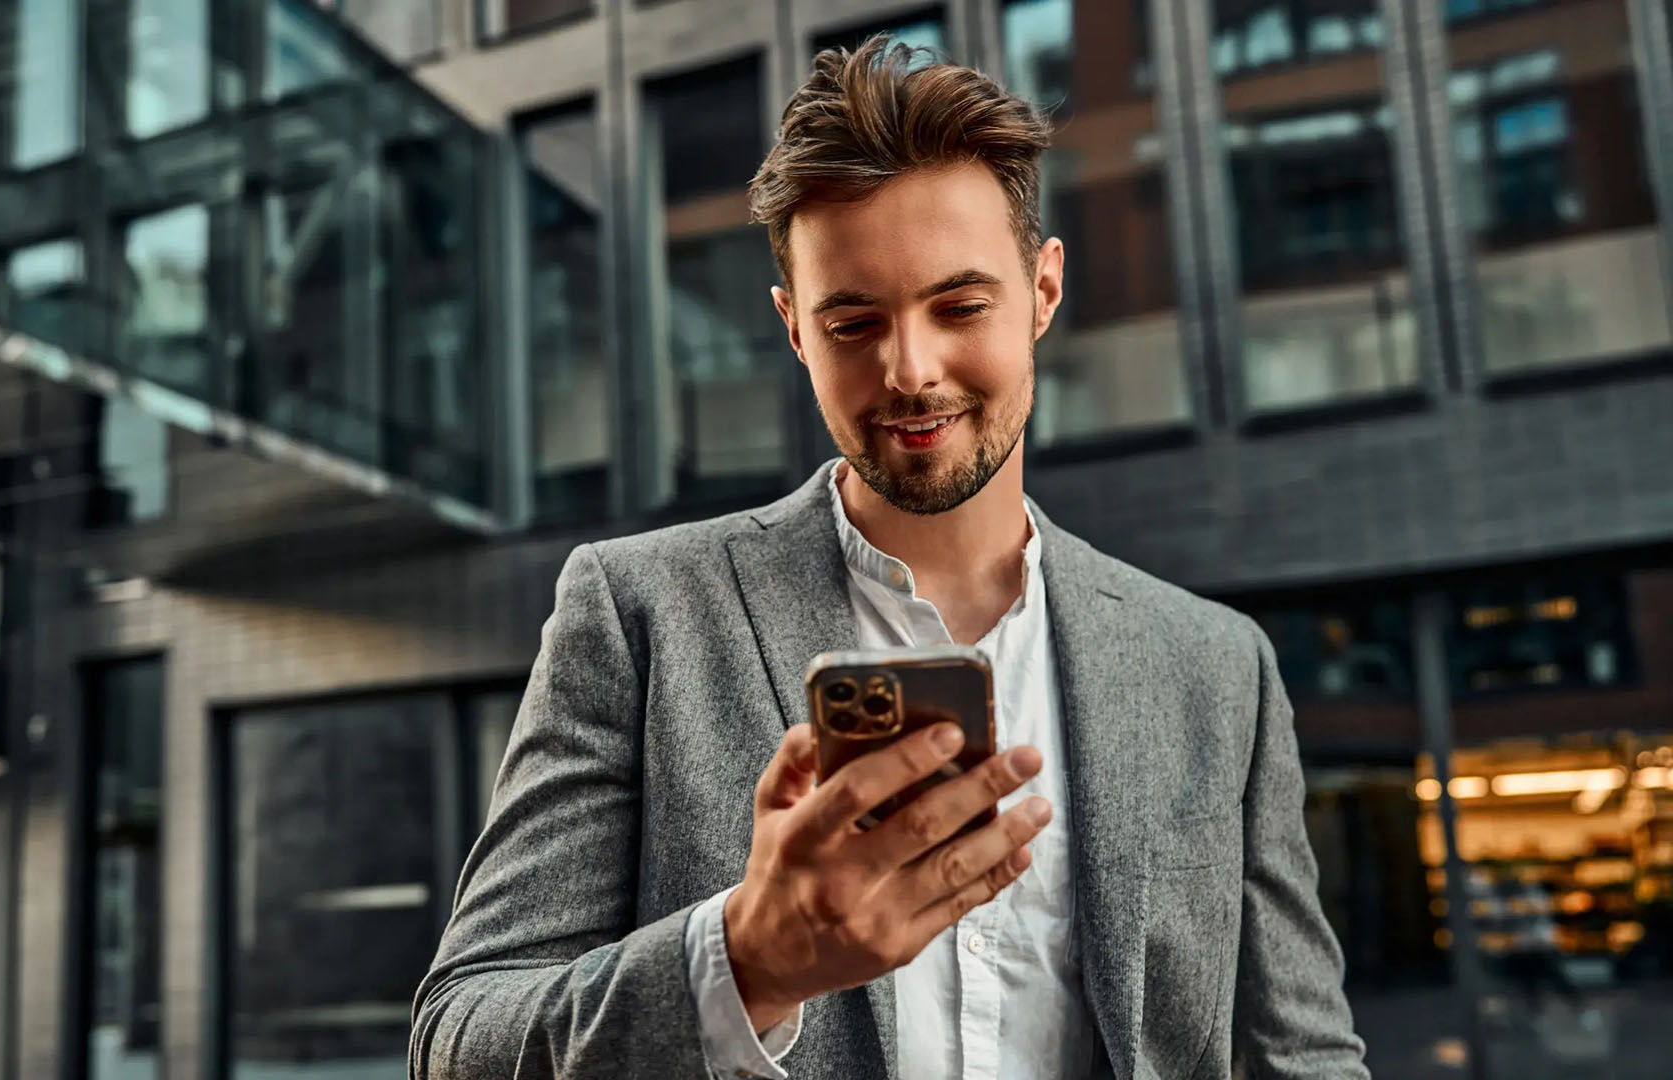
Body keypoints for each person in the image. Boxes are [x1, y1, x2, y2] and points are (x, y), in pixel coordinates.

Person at [411, 37, 1368, 1080]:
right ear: (792, 329)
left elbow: (1302, 1058)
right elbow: (458, 1040)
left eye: (960, 308)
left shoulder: (1216, 667)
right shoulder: (638, 615)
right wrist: (744, 963)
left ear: (1043, 290)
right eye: (854, 321)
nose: (909, 370)